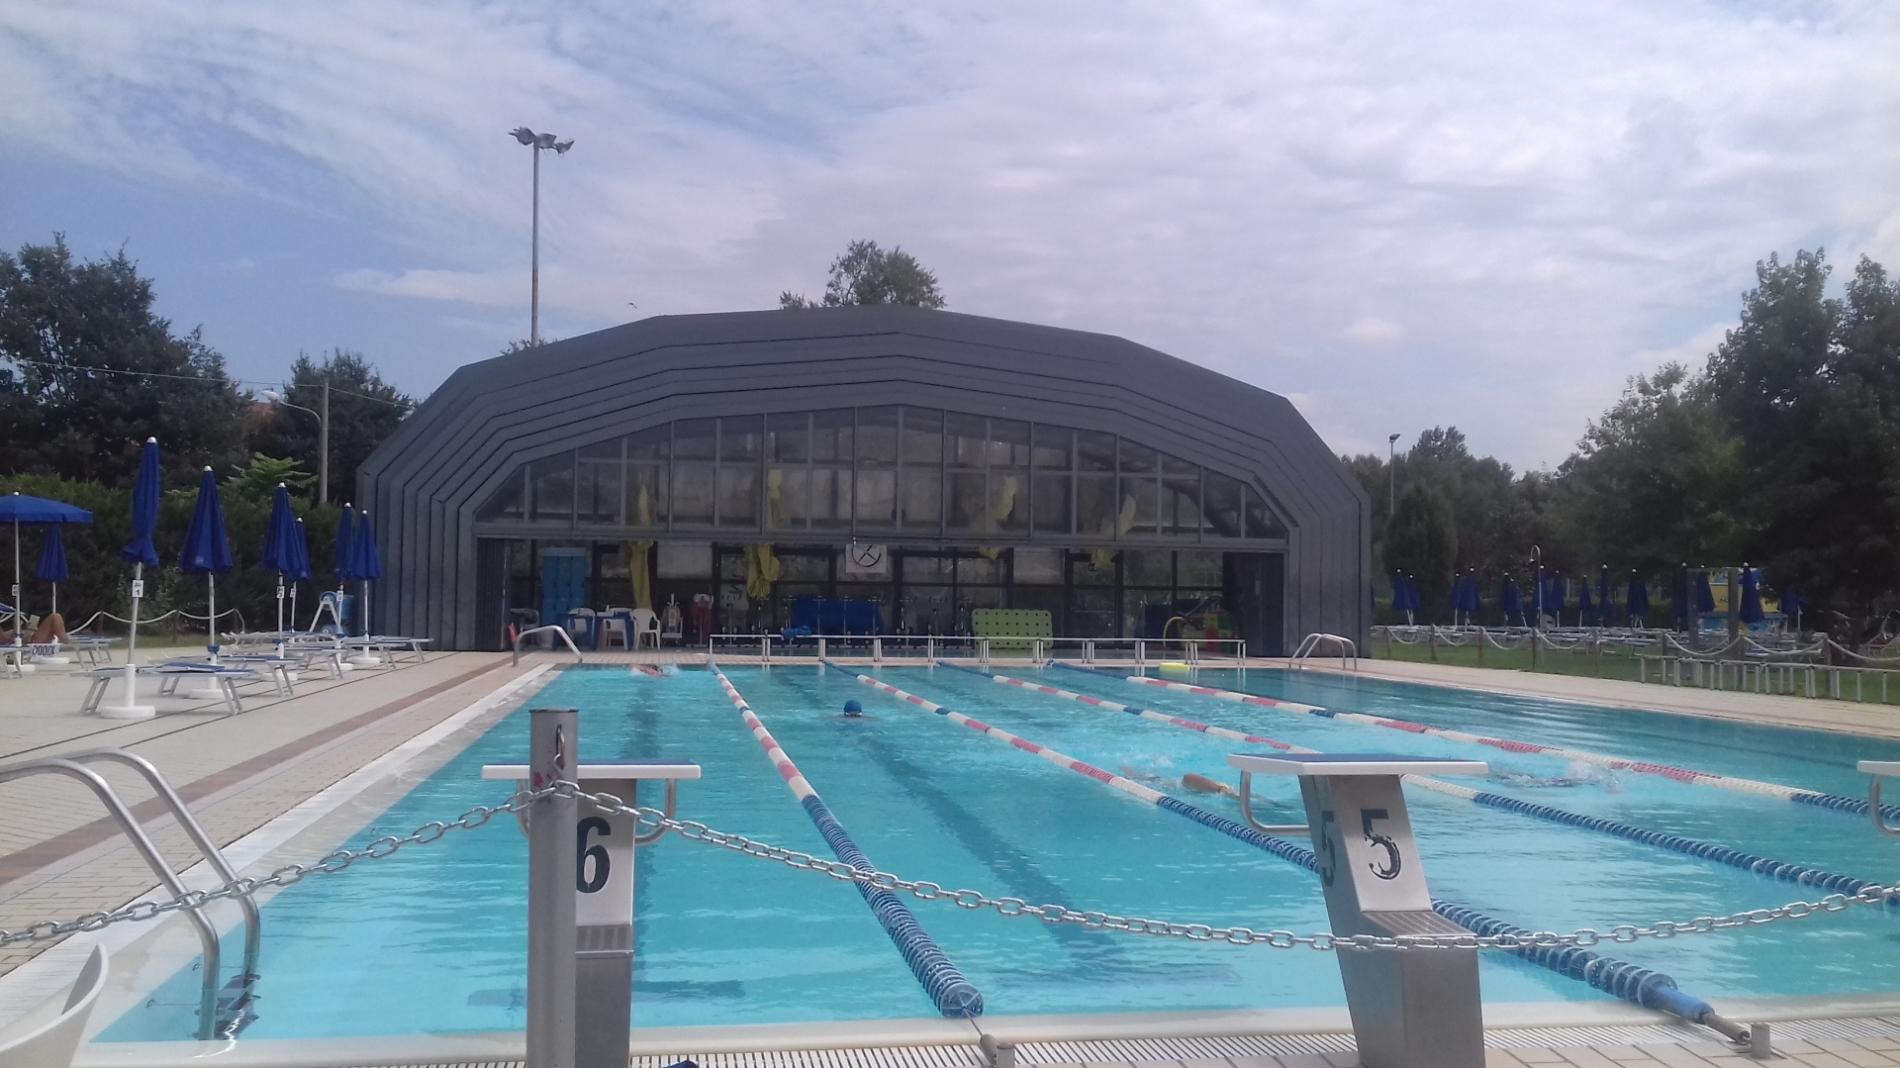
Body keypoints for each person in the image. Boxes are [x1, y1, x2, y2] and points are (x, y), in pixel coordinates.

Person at [1, 610, 70, 646]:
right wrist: (17, 631)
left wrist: (23, 630)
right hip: (30, 642)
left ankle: (65, 642)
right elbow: (9, 642)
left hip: (29, 638)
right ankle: (66, 642)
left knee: (55, 616)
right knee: (55, 617)